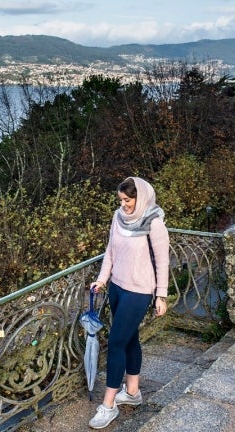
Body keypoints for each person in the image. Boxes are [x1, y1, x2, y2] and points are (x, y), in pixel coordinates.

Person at [88, 177, 170, 429]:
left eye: (128, 200)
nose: (124, 205)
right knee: (130, 338)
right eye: (121, 200)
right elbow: (110, 251)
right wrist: (102, 280)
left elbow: (163, 261)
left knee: (115, 342)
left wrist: (161, 295)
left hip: (139, 291)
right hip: (117, 288)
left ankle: (109, 405)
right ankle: (133, 393)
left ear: (141, 197)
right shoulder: (118, 217)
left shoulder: (154, 223)